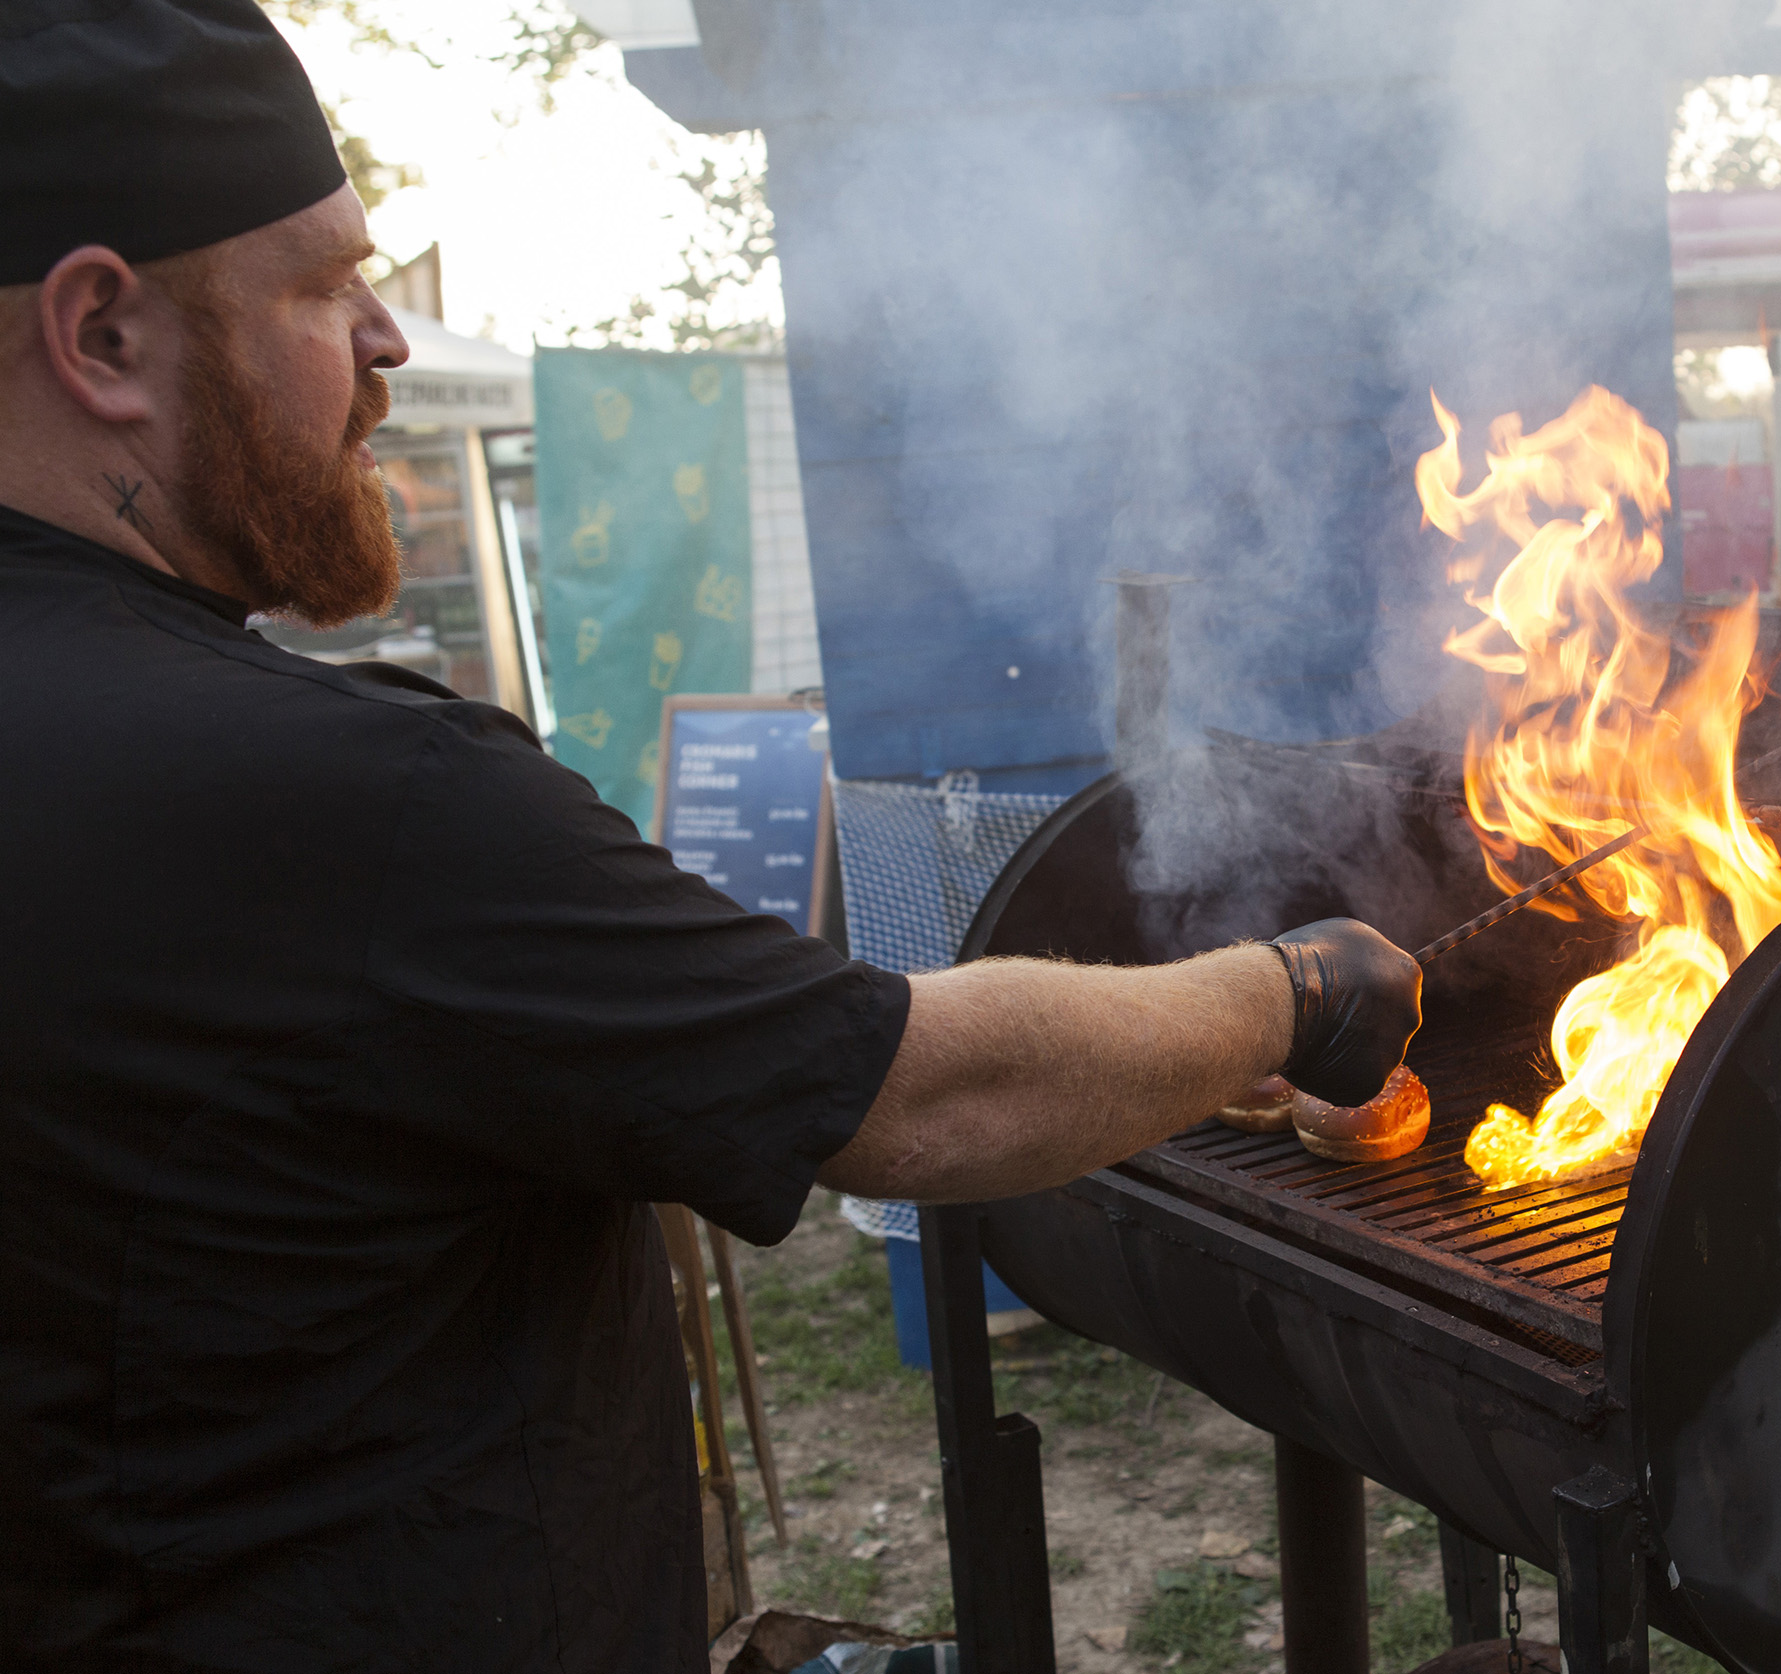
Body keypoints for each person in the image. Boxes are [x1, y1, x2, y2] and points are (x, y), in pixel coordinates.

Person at [0, 5, 1422, 1669]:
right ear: (103, 332)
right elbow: (913, 1096)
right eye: (320, 287)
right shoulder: (348, 801)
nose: (387, 341)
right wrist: (1293, 988)